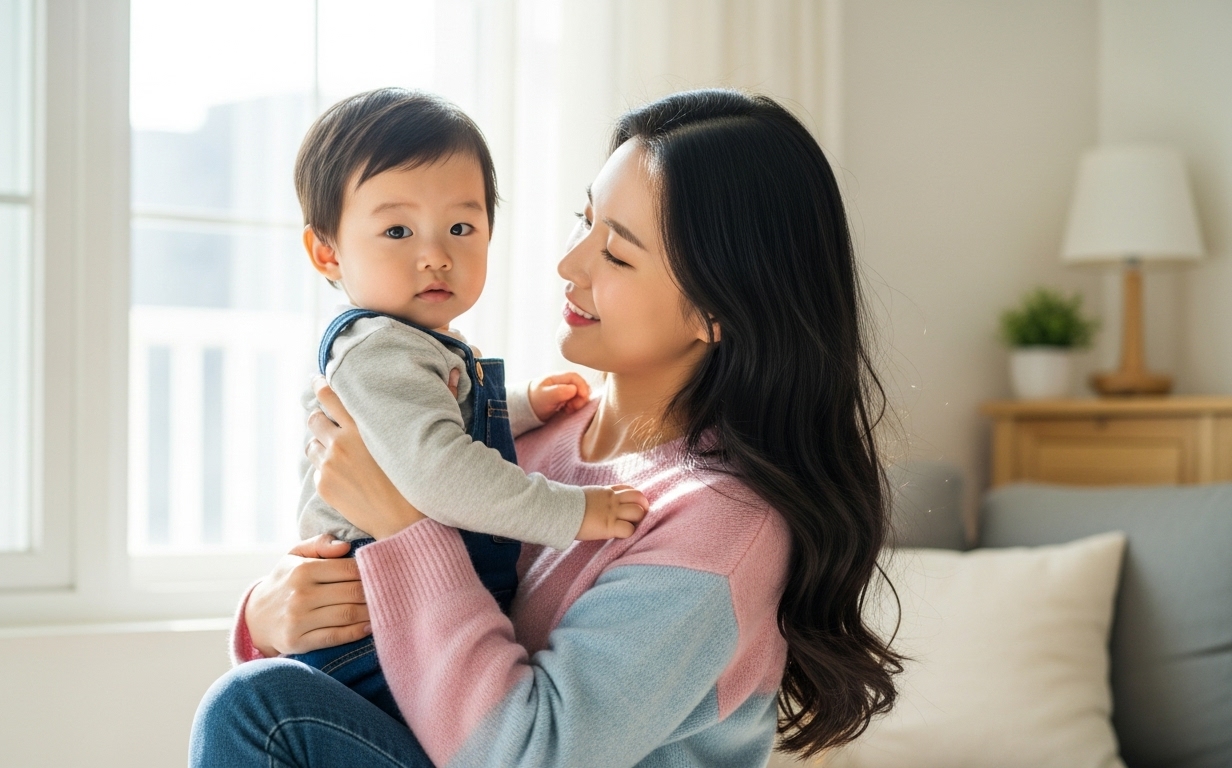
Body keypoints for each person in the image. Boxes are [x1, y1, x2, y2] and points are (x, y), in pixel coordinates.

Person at [192, 89, 903, 768]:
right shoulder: (525, 437)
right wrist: (272, 618)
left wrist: (406, 526)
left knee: (261, 711)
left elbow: (530, 754)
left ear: (716, 310)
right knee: (265, 701)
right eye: (581, 219)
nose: (568, 264)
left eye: (617, 252)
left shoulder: (721, 527)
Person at [286, 88, 649, 721]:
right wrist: (573, 511)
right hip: (369, 625)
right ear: (327, 251)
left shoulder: (417, 347)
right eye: (397, 229)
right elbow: (441, 471)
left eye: (462, 226)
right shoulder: (377, 351)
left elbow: (436, 423)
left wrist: (521, 406)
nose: (436, 254)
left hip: (403, 613)